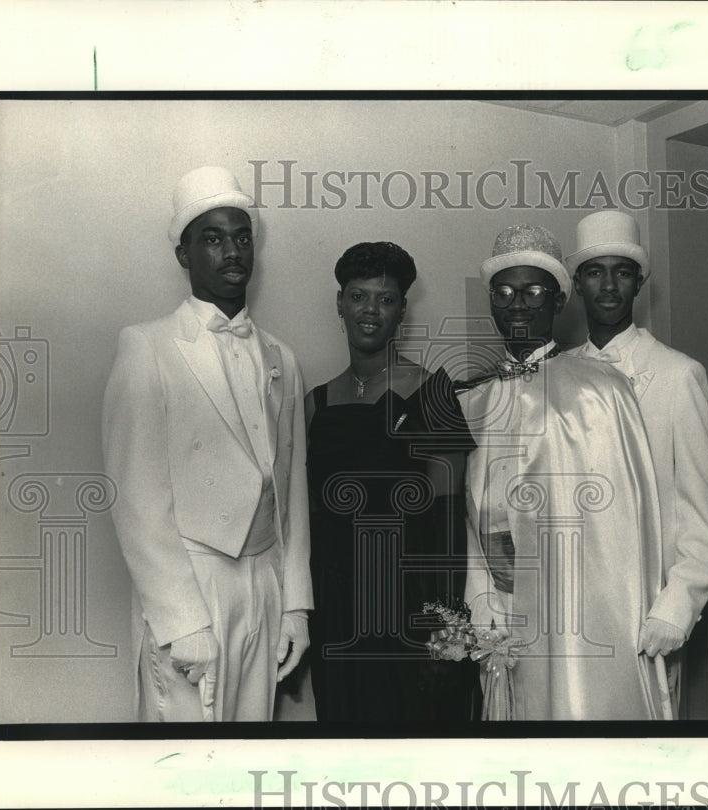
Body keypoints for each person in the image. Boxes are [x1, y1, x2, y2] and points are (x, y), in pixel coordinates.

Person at [102, 166, 312, 721]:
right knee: (184, 760)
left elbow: (291, 493)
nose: (232, 251)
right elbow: (136, 499)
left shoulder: (281, 359)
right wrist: (181, 617)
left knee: (250, 755)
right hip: (193, 584)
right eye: (213, 238)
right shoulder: (147, 346)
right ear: (184, 253)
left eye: (242, 237)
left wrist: (295, 606)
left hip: (264, 583)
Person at [459, 223, 669, 720]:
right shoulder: (469, 400)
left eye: (533, 291)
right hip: (501, 607)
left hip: (578, 610)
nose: (517, 304)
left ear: (558, 301)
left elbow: (623, 524)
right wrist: (481, 595)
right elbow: (464, 518)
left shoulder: (603, 389)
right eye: (504, 291)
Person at [305, 241, 480, 724]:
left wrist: (448, 632)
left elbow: (449, 523)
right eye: (358, 296)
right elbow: (307, 523)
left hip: (409, 610)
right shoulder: (314, 405)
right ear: (339, 303)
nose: (370, 310)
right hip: (336, 610)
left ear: (402, 309)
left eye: (385, 299)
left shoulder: (434, 394)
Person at [564, 210, 708, 708]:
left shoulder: (678, 376)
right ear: (576, 284)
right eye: (595, 271)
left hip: (643, 613)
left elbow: (703, 512)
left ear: (639, 283)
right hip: (569, 616)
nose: (608, 285)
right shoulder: (556, 374)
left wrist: (675, 611)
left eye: (622, 271)